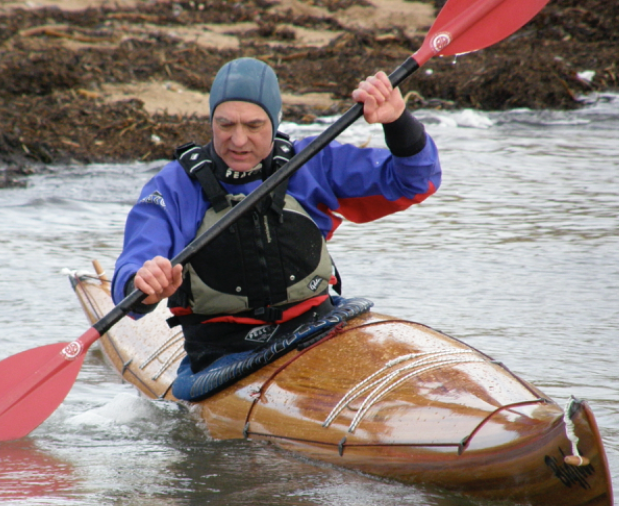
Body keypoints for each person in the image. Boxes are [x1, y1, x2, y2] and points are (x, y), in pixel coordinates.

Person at [112, 57, 441, 374]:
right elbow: (133, 264)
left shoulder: (312, 163)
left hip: (318, 330)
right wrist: (142, 283)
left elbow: (416, 180)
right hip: (224, 353)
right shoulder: (174, 187)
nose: (238, 140)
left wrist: (398, 121)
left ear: (276, 122)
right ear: (211, 121)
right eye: (225, 124)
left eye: (254, 125)